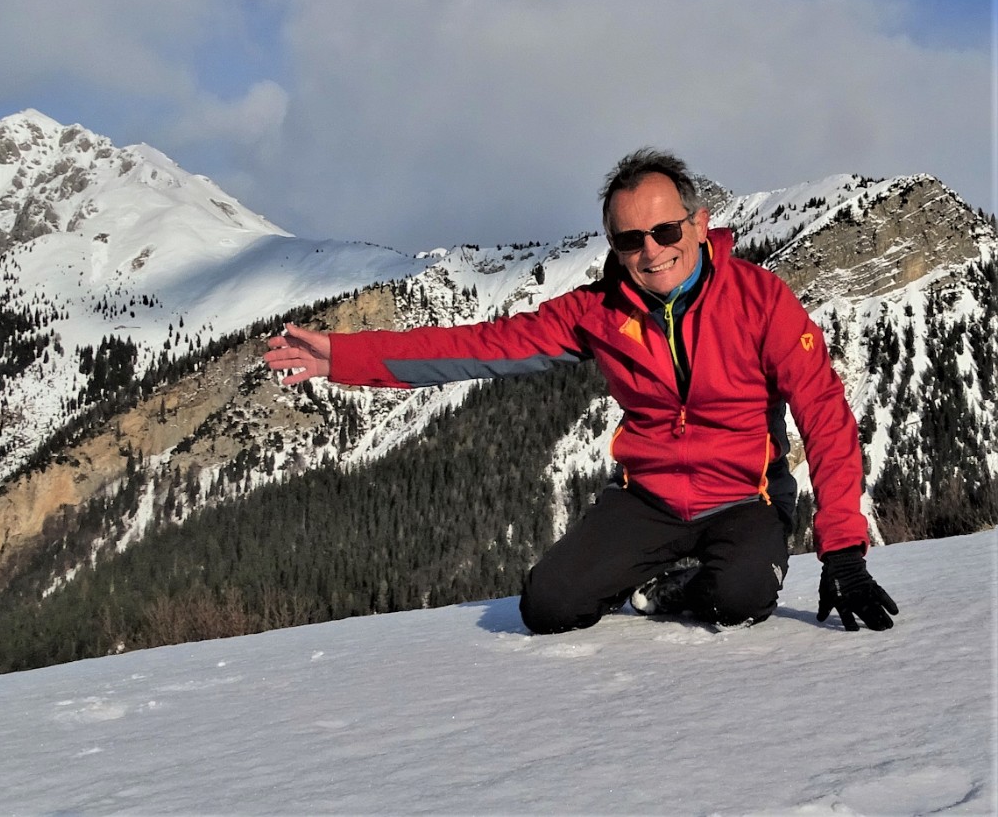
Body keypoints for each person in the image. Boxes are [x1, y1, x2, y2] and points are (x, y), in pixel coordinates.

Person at [263, 147, 898, 633]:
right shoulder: (597, 312)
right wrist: (342, 356)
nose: (650, 252)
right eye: (629, 240)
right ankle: (657, 571)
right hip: (646, 499)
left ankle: (680, 588)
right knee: (549, 605)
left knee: (741, 598)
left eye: (666, 232)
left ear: (700, 224)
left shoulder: (761, 302)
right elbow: (480, 346)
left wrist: (843, 547)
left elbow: (824, 413)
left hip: (745, 496)